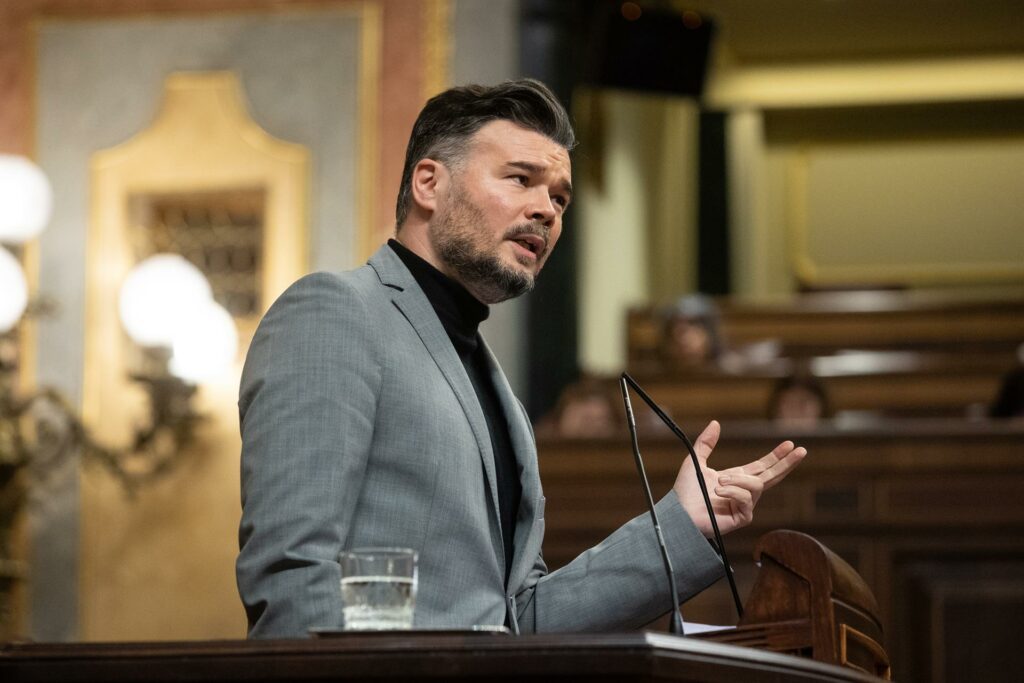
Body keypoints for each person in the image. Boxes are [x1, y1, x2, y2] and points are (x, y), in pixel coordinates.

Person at [236, 79, 806, 638]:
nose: (547, 211)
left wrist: (681, 525)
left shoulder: (497, 390)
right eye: (521, 179)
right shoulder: (336, 312)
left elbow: (521, 623)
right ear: (429, 183)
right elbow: (293, 576)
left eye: (559, 198)